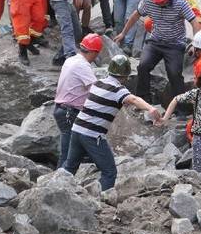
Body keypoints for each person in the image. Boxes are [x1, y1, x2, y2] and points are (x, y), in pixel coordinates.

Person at [64, 55, 160, 191]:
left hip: (77, 129)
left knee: (70, 167)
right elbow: (133, 99)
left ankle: (55, 191)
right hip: (93, 135)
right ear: (126, 75)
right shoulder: (118, 90)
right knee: (109, 172)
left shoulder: (98, 83)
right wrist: (151, 108)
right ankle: (100, 201)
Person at [114, 0, 201, 105]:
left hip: (175, 44)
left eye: (162, 0)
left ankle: (181, 107)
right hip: (155, 41)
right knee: (143, 66)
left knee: (174, 73)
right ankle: (143, 100)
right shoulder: (149, 0)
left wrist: (195, 43)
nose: (160, 3)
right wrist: (123, 33)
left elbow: (195, 22)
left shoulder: (180, 2)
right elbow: (135, 16)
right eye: (158, 1)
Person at [53, 34, 103, 168]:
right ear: (93, 52)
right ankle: (56, 184)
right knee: (68, 154)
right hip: (69, 112)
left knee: (74, 152)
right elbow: (97, 90)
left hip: (63, 110)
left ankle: (64, 179)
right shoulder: (82, 65)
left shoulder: (71, 60)